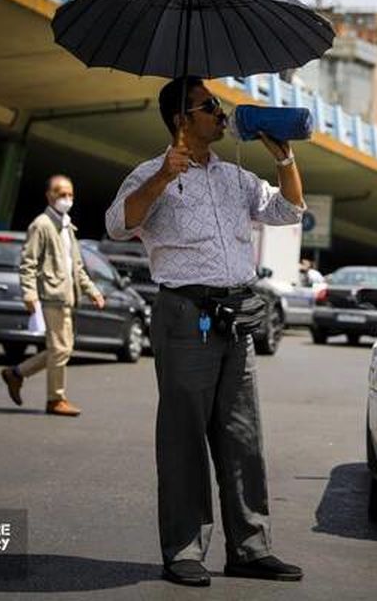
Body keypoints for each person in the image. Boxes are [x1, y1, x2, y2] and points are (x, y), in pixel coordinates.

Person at [105, 76, 305, 587]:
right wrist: (161, 180)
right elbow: (116, 224)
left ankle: (250, 547)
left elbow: (287, 211)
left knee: (243, 436)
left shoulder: (234, 177)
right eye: (209, 106)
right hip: (184, 315)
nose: (221, 113)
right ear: (181, 119)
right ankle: (184, 550)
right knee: (184, 438)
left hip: (235, 318)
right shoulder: (150, 174)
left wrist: (284, 159)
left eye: (217, 104)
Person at [0, 175, 105, 417]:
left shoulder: (67, 226)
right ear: (49, 196)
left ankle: (16, 373)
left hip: (67, 296)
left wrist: (93, 291)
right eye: (61, 194)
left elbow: (76, 267)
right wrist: (29, 293)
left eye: (70, 194)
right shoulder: (42, 225)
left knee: (62, 349)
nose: (66, 199)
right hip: (51, 295)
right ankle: (55, 399)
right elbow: (28, 262)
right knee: (60, 349)